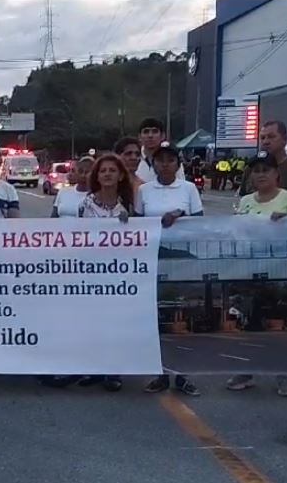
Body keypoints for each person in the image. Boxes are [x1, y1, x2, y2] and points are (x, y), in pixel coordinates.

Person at [224, 155, 287, 397]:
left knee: (276, 324)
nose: (260, 175)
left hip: (280, 271)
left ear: (276, 173)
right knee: (250, 324)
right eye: (256, 171)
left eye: (265, 170)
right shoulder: (246, 201)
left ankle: (283, 374)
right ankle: (247, 370)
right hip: (250, 272)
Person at [134, 143, 203, 397]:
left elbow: (200, 222)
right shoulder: (143, 191)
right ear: (153, 165)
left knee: (182, 316)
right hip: (154, 258)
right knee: (158, 317)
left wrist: (179, 213)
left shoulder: (189, 189)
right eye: (160, 160)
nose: (165, 164)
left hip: (181, 258)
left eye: (170, 160)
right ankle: (160, 373)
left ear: (178, 164)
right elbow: (137, 223)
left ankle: (184, 375)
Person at [77, 153, 134, 392]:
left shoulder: (129, 206)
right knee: (93, 323)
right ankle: (94, 368)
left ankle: (114, 370)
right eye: (103, 171)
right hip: (92, 273)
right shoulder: (86, 205)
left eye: (112, 170)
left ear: (120, 175)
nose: (108, 174)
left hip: (119, 274)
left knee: (116, 324)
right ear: (96, 176)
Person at [240, 121, 287, 213]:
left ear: (285, 139)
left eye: (271, 137)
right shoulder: (250, 169)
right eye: (262, 138)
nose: (266, 141)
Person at [136, 118, 185, 183]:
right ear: (139, 136)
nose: (150, 135)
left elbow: (181, 185)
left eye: (155, 131)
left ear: (163, 136)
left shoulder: (172, 159)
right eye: (146, 132)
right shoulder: (134, 159)